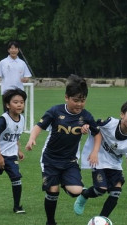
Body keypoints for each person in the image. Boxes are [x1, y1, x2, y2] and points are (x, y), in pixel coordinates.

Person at [25, 74, 102, 225]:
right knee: (52, 191)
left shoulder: (86, 116)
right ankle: (50, 221)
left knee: (77, 191)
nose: (79, 104)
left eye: (83, 100)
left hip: (70, 161)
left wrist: (94, 152)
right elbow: (39, 126)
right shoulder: (55, 111)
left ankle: (64, 182)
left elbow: (97, 133)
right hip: (50, 159)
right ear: (66, 98)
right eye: (76, 100)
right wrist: (31, 138)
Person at [73, 100, 127, 218]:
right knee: (101, 189)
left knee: (116, 192)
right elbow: (94, 126)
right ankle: (84, 195)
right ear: (122, 115)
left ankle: (102, 219)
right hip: (98, 160)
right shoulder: (110, 123)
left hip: (115, 164)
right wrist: (86, 127)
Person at [0, 40, 32, 112]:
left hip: (19, 91)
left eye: (15, 48)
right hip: (6, 91)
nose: (13, 50)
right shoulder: (3, 62)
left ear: (18, 50)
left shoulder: (22, 63)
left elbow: (27, 76)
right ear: (8, 50)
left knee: (18, 113)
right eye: (11, 48)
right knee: (7, 113)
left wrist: (25, 79)